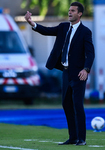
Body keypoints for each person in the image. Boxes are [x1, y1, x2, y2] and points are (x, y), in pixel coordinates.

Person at [25, 2, 95, 146]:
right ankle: (73, 137)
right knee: (66, 104)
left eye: (73, 11)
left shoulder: (85, 32)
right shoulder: (63, 27)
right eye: (69, 10)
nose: (69, 12)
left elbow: (90, 53)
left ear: (79, 14)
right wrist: (32, 23)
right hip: (65, 72)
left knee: (77, 105)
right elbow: (46, 30)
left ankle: (82, 138)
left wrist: (86, 69)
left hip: (78, 74)